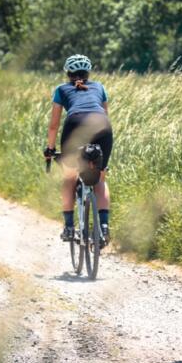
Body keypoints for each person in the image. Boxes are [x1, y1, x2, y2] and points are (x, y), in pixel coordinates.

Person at [44, 54, 114, 244]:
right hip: (102, 126)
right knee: (100, 177)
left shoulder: (61, 90)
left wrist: (50, 149)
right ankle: (105, 226)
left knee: (69, 176)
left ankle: (68, 227)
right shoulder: (99, 87)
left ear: (68, 73)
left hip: (74, 124)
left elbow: (54, 125)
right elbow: (105, 114)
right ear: (88, 73)